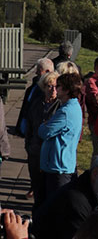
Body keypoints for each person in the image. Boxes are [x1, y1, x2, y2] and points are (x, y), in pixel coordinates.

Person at [17, 75, 75, 214]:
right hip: (35, 151)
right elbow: (30, 125)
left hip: (51, 155)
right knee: (37, 187)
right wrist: (29, 145)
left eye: (56, 86)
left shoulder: (61, 106)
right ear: (44, 87)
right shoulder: (37, 103)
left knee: (49, 193)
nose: (53, 90)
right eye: (49, 86)